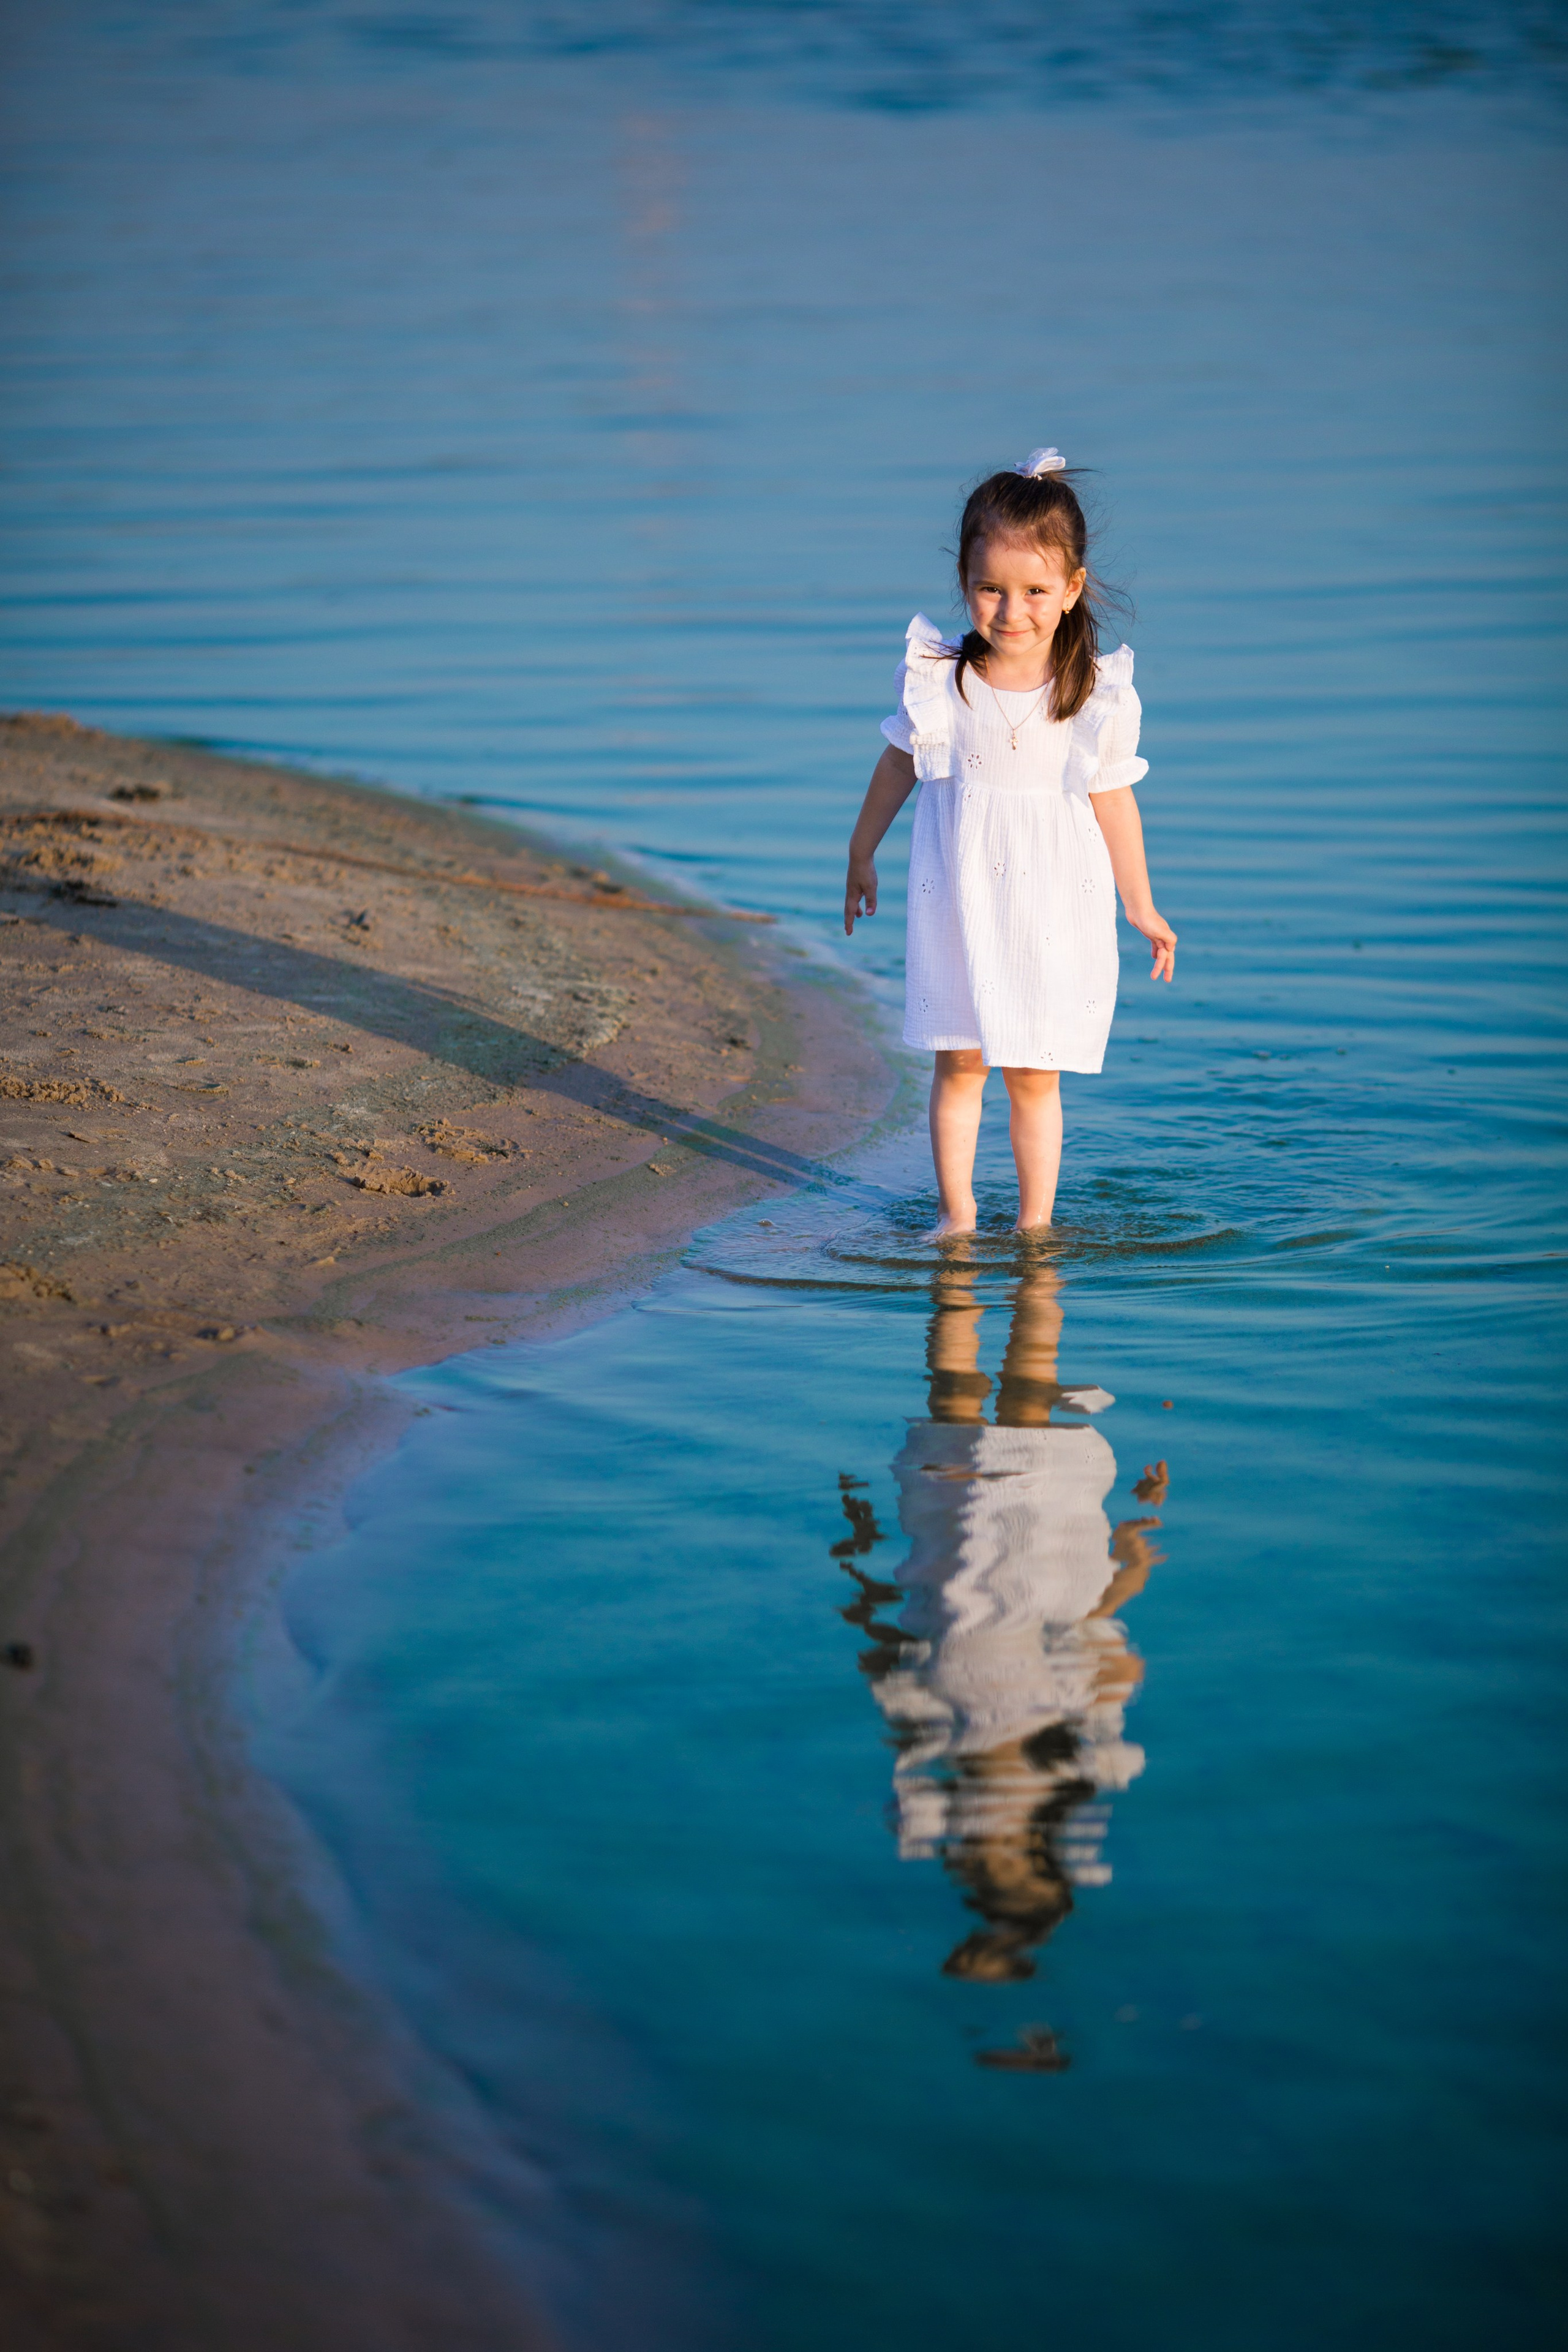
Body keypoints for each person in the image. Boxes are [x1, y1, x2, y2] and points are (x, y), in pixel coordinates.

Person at [843, 448, 1177, 1234]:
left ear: (1071, 591)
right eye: (989, 588)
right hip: (960, 899)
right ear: (964, 582)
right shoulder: (941, 677)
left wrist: (1142, 904)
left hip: (1053, 906)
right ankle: (957, 1215)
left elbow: (1113, 799)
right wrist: (862, 852)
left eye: (1034, 591)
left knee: (1034, 1071)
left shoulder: (1092, 692)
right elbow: (898, 763)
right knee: (959, 1061)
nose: (1010, 610)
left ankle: (1034, 1224)